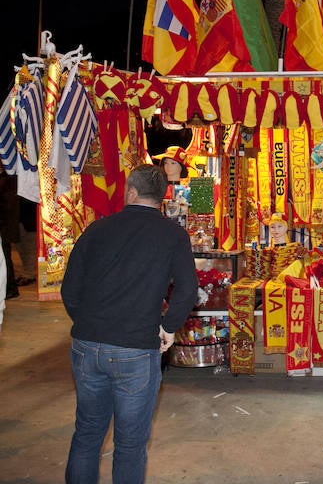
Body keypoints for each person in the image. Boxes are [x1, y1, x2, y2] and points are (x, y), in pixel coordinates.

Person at [61, 164, 198, 484]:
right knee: (130, 443)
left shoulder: (97, 229)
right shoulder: (173, 234)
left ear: (130, 191)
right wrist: (169, 327)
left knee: (87, 434)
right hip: (136, 349)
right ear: (163, 197)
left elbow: (69, 288)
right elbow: (188, 289)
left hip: (87, 345)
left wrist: (88, 324)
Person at [0, 170, 21, 299]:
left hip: (4, 224)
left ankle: (10, 288)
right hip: (5, 223)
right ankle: (9, 287)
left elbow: (7, 204)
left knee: (5, 258)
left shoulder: (7, 179)